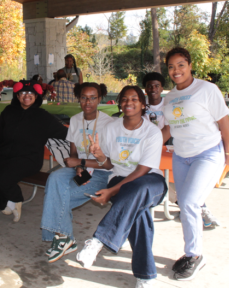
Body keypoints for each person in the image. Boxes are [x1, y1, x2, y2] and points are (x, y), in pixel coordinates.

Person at [76, 85, 167, 288]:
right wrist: (99, 155)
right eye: (124, 99)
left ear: (143, 105)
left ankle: (99, 240)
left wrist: (112, 191)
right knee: (139, 214)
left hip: (150, 182)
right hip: (121, 180)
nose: (129, 103)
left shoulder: (152, 132)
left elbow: (142, 171)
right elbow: (109, 164)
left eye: (134, 99)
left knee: (138, 189)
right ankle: (145, 276)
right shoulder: (111, 128)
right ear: (120, 104)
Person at [163, 47, 229, 280]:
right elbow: (167, 129)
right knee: (185, 205)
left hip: (208, 153)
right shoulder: (170, 97)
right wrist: (145, 144)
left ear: (190, 65)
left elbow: (223, 122)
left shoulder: (207, 89)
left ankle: (195, 255)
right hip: (181, 156)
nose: (176, 70)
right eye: (172, 66)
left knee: (191, 203)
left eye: (181, 64)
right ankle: (190, 252)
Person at [41, 82, 114, 263]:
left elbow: (108, 164)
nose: (87, 102)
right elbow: (73, 152)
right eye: (83, 97)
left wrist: (80, 162)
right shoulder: (75, 120)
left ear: (100, 99)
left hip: (100, 173)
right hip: (81, 169)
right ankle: (64, 237)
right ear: (78, 99)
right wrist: (78, 167)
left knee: (58, 196)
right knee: (54, 178)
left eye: (92, 98)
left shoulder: (109, 123)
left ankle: (63, 238)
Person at [0, 80, 68, 222]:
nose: (27, 96)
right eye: (23, 93)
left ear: (37, 96)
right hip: (5, 154)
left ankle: (16, 198)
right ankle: (6, 204)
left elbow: (65, 133)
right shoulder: (8, 112)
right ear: (17, 95)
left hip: (29, 159)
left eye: (31, 93)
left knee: (3, 178)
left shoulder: (43, 116)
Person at [143, 72, 221, 228]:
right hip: (147, 149)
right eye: (150, 86)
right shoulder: (141, 105)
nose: (153, 89)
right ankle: (191, 206)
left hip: (170, 145)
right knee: (157, 174)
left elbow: (171, 127)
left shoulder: (170, 103)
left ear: (162, 88)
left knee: (182, 178)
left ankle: (198, 206)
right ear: (145, 89)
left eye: (157, 85)